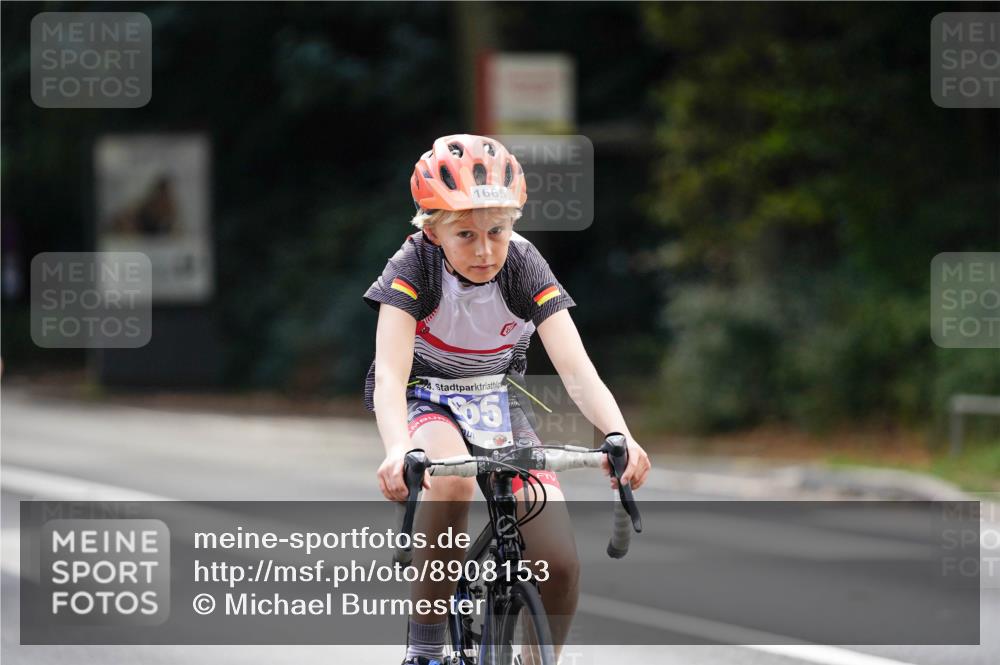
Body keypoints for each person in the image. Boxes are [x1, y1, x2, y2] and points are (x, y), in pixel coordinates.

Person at [363, 134, 651, 665]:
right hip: (424, 395)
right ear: (432, 229)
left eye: (497, 231)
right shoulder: (413, 267)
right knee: (450, 479)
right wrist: (396, 448)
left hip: (496, 398)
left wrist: (620, 434)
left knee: (560, 563)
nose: (484, 249)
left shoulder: (522, 264)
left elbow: (575, 367)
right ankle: (425, 647)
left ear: (513, 223)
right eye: (465, 233)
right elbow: (390, 373)